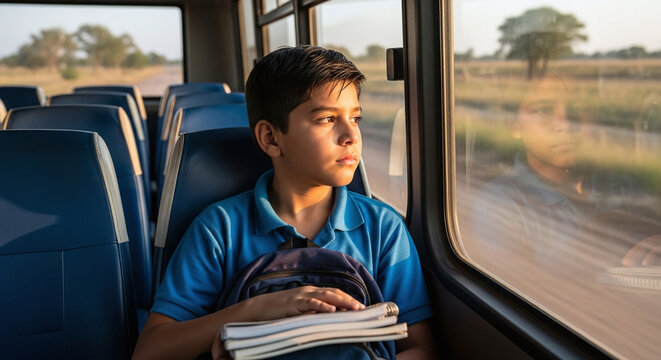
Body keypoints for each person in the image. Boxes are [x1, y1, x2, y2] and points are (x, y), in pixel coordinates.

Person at [133, 46, 436, 360]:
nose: (351, 136)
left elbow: (419, 347)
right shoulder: (220, 228)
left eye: (355, 118)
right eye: (327, 119)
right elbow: (151, 349)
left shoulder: (383, 228)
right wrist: (256, 308)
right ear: (271, 138)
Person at [469, 75, 661, 273]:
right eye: (543, 110)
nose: (566, 124)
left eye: (577, 109)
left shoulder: (626, 187)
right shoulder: (501, 205)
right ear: (514, 125)